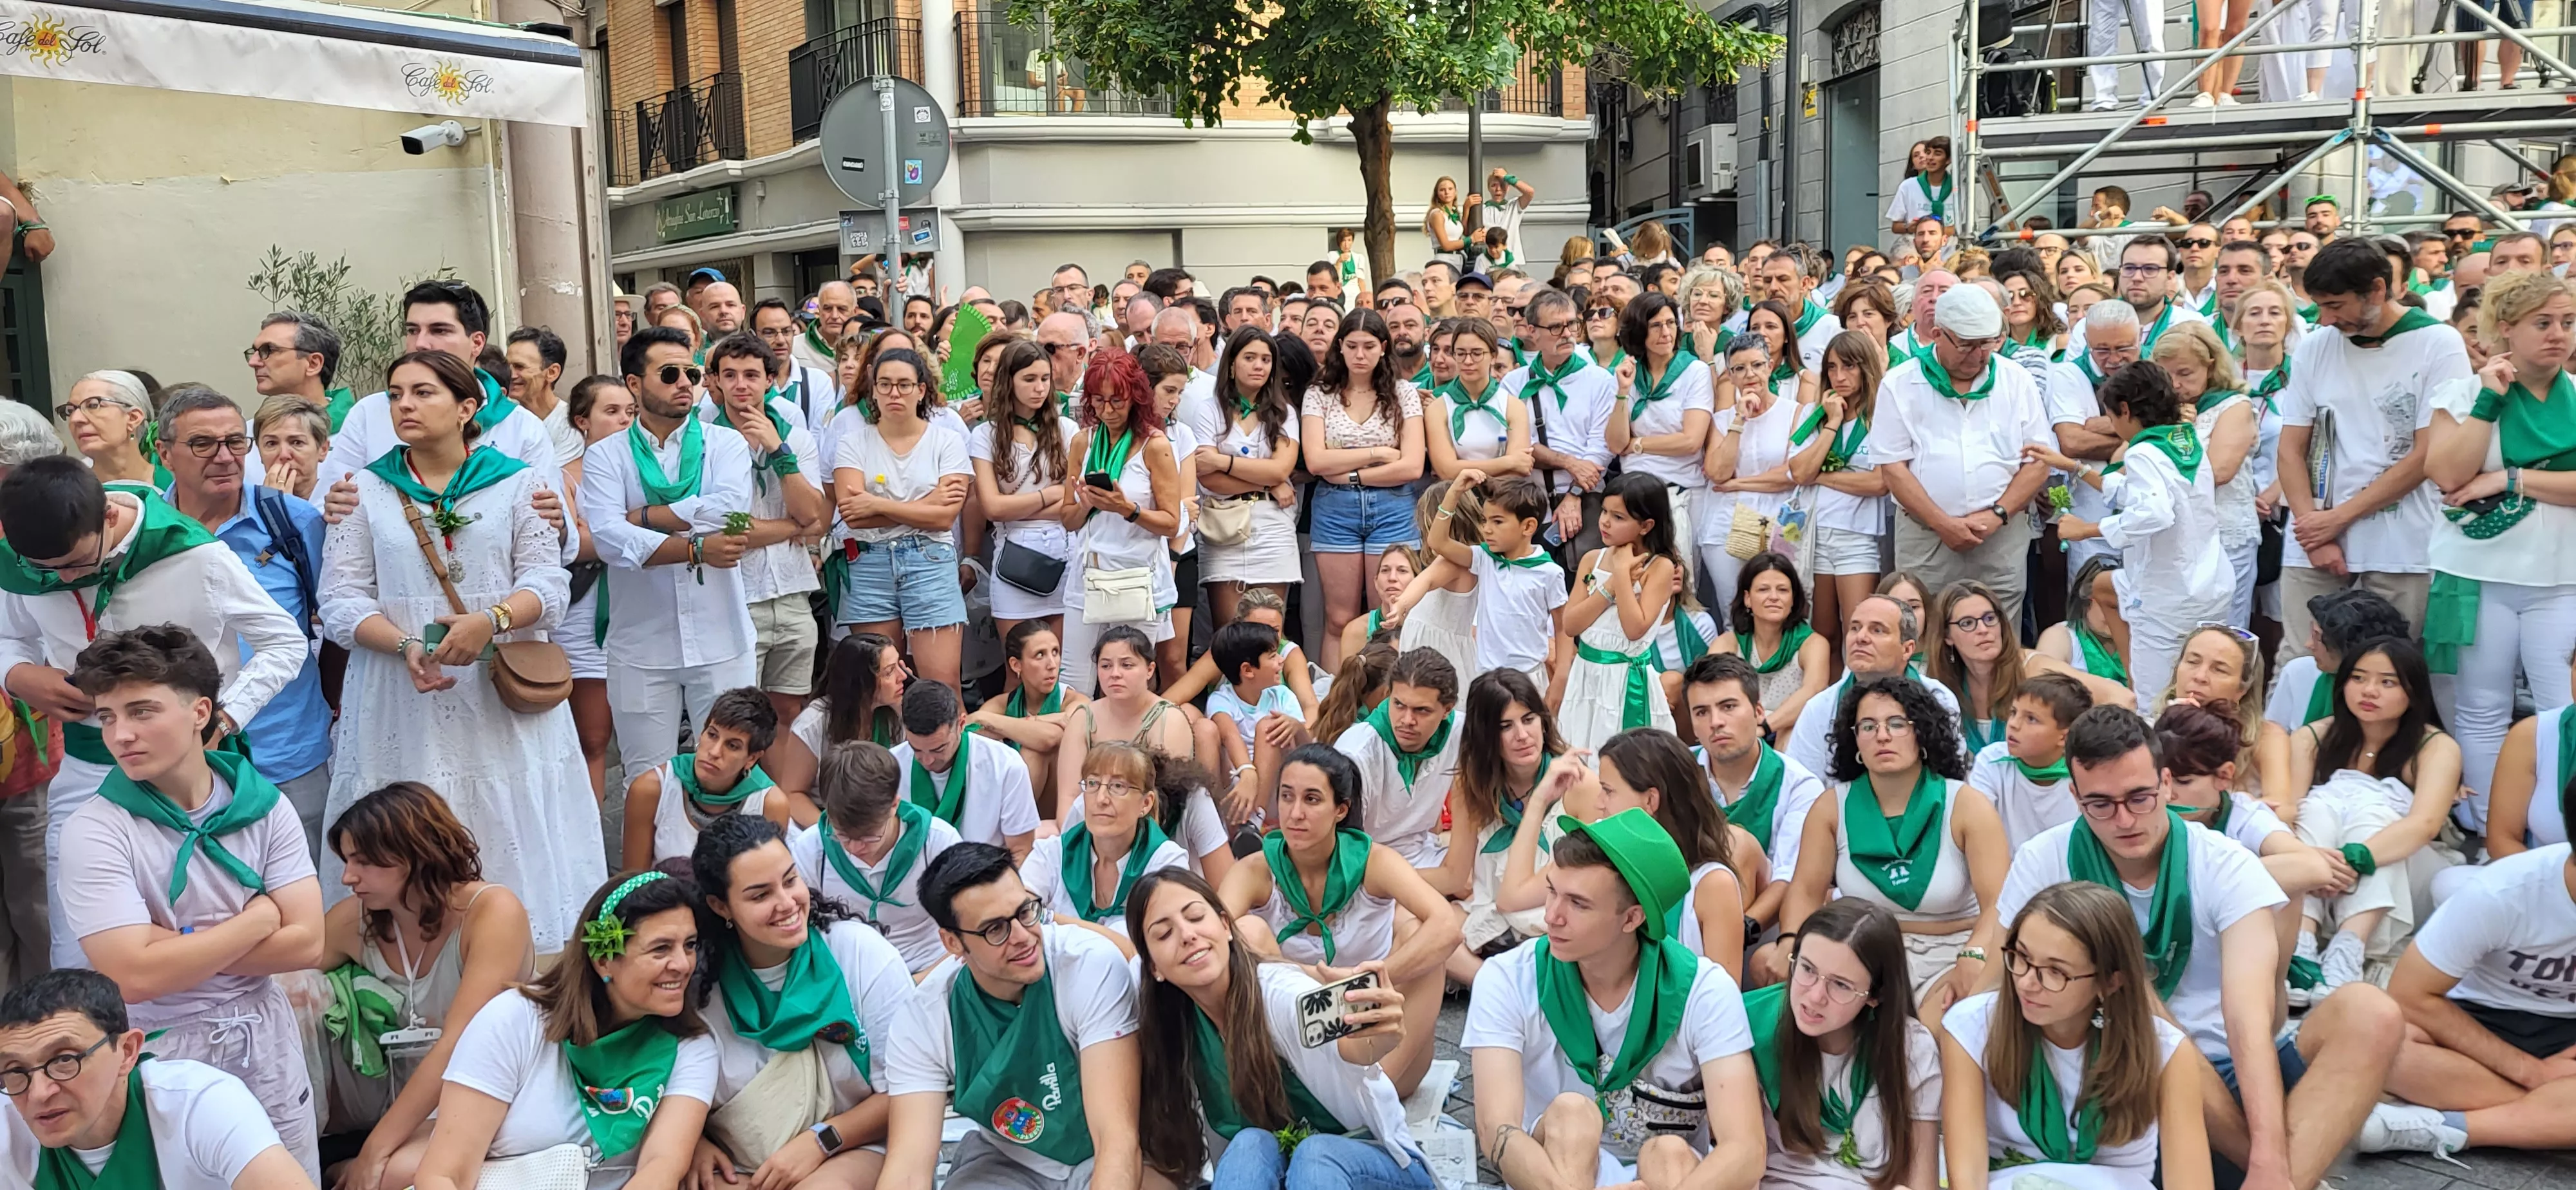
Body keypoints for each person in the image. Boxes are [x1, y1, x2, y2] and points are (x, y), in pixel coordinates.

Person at [1998, 705, 2406, 1190]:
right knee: (2137, 999)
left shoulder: (2223, 862)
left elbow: (2248, 1017)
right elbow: (2004, 988)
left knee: (2370, 1012)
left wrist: (2271, 1156)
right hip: (2122, 1074)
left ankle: (2275, 1175)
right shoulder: (2044, 857)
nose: (2124, 819)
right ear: (2075, 795)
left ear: (2167, 784)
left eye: (2140, 798)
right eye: (2100, 804)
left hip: (2235, 1067)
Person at [319, 350, 601, 954]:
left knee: (507, 815)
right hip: (402, 693)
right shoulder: (364, 489)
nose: (405, 406)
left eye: (423, 393)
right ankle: (416, 963)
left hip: (499, 692)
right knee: (412, 811)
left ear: (467, 407)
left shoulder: (520, 481)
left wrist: (491, 620)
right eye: (396, 394)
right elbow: (341, 599)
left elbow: (549, 584)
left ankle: (519, 956)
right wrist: (404, 647)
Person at [1, 454, 308, 978]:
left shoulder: (196, 555)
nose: (61, 579)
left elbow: (283, 641)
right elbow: (10, 636)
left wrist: (225, 717)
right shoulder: (25, 562)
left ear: (111, 520)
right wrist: (17, 675)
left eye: (74, 565)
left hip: (192, 774)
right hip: (87, 769)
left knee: (202, 920)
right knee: (82, 944)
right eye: (44, 570)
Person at [50, 625, 322, 1179]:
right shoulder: (95, 831)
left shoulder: (264, 807)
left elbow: (308, 943)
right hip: (159, 1054)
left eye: (142, 711)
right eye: (108, 717)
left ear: (201, 712)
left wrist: (175, 947)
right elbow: (132, 977)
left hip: (263, 1044)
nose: (121, 734)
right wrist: (258, 920)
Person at [1464, 808, 1763, 1190]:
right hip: (1555, 1172)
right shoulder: (1507, 977)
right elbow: (1496, 1129)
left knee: (1668, 1151)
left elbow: (1745, 1149)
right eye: (1552, 891)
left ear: (1632, 918)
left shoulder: (1704, 991)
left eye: (1578, 903)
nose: (1552, 916)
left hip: (1668, 1179)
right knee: (1571, 1115)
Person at [412, 869, 715, 1190]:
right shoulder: (513, 1020)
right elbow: (444, 1174)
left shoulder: (690, 1045)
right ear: (603, 961)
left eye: (690, 945)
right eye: (661, 949)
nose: (683, 964)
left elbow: (661, 1169)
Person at [1127, 867, 1427, 1190]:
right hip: (1278, 1173)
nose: (1187, 935)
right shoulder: (1174, 1029)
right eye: (1164, 934)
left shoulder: (1278, 994)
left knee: (1316, 1154)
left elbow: (1351, 1046)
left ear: (1226, 926)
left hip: (1373, 1168)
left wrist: (1377, 1034)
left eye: (1196, 917)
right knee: (1248, 1145)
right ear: (1154, 967)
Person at [878, 843, 1142, 1190]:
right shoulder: (924, 1018)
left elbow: (1116, 1138)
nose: (1022, 937)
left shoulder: (1088, 964)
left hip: (1100, 1155)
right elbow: (908, 1169)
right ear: (953, 943)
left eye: (1025, 912)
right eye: (995, 929)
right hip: (1009, 1161)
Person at [318, 782, 531, 1190]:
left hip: (474, 1093)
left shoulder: (490, 911)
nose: (348, 877)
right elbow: (278, 970)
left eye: (364, 862)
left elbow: (460, 1043)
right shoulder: (356, 918)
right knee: (293, 991)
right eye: (347, 861)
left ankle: (333, 1167)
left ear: (416, 856)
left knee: (396, 1174)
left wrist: (374, 1152)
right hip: (382, 1099)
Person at [683, 813, 913, 1186]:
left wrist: (820, 1141)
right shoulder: (699, 988)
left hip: (852, 1148)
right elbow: (668, 1093)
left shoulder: (859, 954)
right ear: (720, 906)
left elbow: (910, 1090)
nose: (787, 903)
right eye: (760, 895)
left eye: (791, 880)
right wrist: (695, 1141)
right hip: (741, 1164)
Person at [2421, 268, 2576, 820]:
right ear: (2506, 329)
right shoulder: (2462, 392)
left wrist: (2508, 479)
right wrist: (2488, 401)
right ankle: (2490, 826)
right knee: (2481, 708)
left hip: (2562, 580)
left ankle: (2560, 830)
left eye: (2567, 321)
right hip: (2477, 576)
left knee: (2564, 711)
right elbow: (2446, 473)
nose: (2558, 333)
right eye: (2543, 323)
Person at [151, 385, 333, 852]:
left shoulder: (293, 521)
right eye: (203, 444)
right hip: (180, 759)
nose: (225, 457)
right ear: (164, 453)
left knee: (304, 896)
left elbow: (329, 620)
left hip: (287, 753)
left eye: (236, 442)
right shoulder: (145, 533)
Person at [582, 325, 760, 800]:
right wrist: (696, 548)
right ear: (635, 385)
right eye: (669, 373)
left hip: (722, 638)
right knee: (647, 782)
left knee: (730, 778)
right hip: (641, 647)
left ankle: (726, 874)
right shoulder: (605, 457)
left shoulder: (726, 445)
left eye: (692, 372)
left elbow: (731, 511)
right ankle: (653, 875)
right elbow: (608, 539)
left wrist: (642, 517)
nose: (685, 382)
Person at [1936, 882, 2209, 1190]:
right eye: (2022, 957)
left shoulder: (2167, 1051)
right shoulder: (1970, 1027)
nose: (2027, 983)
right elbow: (1967, 1178)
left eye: (2056, 971)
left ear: (2110, 982)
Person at [2275, 240, 2471, 665]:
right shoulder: (2315, 346)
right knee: (2300, 662)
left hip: (2401, 544)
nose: (2325, 319)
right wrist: (2314, 530)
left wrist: (2338, 520)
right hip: (2313, 537)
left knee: (2385, 669)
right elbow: (2291, 448)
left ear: (2378, 290)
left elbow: (2427, 455)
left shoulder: (2439, 343)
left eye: (2335, 305)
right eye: (2319, 306)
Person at [1784, 675, 2008, 1008]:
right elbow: (1805, 891)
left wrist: (1975, 954)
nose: (1883, 736)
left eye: (1897, 723)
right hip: (1861, 955)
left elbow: (2000, 903)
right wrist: (1792, 949)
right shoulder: (1831, 808)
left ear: (1923, 734)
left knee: (1947, 1032)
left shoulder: (1966, 805)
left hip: (1953, 953)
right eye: (1868, 726)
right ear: (1855, 740)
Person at [0, 968, 316, 1188]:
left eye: (65, 1061)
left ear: (127, 1052)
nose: (39, 1093)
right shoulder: (8, 1129)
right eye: (16, 1071)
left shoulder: (201, 1104)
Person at [2028, 363, 2234, 698]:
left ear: (2125, 410)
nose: (2112, 425)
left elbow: (2153, 514)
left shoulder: (2142, 452)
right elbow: (2133, 494)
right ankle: (2132, 674)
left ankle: (2142, 694)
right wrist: (2073, 466)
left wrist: (2086, 530)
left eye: (2111, 418)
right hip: (2209, 581)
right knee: (2102, 588)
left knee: (2160, 699)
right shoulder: (2185, 442)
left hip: (2166, 592)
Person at [2369, 838, 2576, 1156]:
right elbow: (2411, 995)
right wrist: (2533, 1073)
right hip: (2479, 1018)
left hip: (2568, 1031)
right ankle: (2548, 1117)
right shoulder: (2505, 891)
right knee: (2381, 1043)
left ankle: (2445, 1128)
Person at [2282, 638, 2461, 996]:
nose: (2369, 691)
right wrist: (2314, 862)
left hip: (2407, 868)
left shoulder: (2436, 746)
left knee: (2376, 812)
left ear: (2414, 690)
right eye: (2359, 678)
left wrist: (2353, 858)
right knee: (2315, 809)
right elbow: (2287, 811)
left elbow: (2423, 826)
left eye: (2387, 682)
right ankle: (2301, 940)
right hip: (2319, 869)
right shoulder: (2312, 737)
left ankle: (2349, 948)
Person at [1875, 287, 2053, 627]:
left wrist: (1998, 515)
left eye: (1988, 343)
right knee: (1924, 633)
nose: (1979, 355)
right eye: (1967, 345)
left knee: (1997, 639)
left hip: (2000, 537)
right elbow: (1893, 468)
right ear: (1938, 334)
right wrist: (1943, 524)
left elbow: (2039, 459)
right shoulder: (1900, 383)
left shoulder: (2016, 379)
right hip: (1926, 537)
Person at [315, 283, 571, 512]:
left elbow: (555, 530)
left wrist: (553, 522)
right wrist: (334, 505)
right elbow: (328, 504)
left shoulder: (521, 427)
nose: (421, 344)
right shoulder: (370, 413)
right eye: (413, 330)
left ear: (477, 343)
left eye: (439, 330)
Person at [1741, 898, 1941, 1190]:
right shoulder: (1751, 1024)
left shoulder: (1910, 1048)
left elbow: (1922, 1183)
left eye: (1841, 985)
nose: (1814, 997)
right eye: (1807, 969)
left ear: (1876, 995)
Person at [834, 346, 971, 692]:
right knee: (876, 685)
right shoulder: (852, 442)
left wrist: (877, 505)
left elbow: (944, 520)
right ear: (873, 390)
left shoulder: (948, 441)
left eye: (904, 385)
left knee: (942, 683)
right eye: (885, 384)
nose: (894, 393)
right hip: (868, 562)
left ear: (921, 390)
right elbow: (853, 516)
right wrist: (927, 504)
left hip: (930, 559)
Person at [705, 334, 826, 724]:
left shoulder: (795, 438)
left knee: (789, 710)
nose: (741, 385)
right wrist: (792, 526)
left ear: (770, 381)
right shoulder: (702, 442)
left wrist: (778, 452)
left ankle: (776, 786)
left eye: (752, 375)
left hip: (792, 592)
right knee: (738, 714)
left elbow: (814, 516)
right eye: (731, 375)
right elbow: (727, 527)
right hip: (735, 596)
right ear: (717, 382)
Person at [1301, 310, 1426, 671]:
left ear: (1383, 348)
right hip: (1336, 510)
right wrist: (1378, 455)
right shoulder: (1319, 394)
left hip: (1394, 507)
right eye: (1352, 346)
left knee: (1387, 614)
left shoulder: (1403, 393)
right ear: (1339, 347)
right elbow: (1316, 461)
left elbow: (1412, 466)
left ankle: (1387, 699)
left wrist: (1349, 474)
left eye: (1369, 346)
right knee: (1339, 619)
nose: (1360, 354)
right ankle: (1336, 699)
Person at [1685, 653, 1828, 958]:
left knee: (1737, 845)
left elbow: (1791, 877)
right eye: (1701, 712)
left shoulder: (1800, 785)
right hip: (1684, 925)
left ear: (1758, 712)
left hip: (1761, 932)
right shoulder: (1676, 771)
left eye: (1728, 707)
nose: (1716, 722)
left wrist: (1735, 929)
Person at [1057, 349, 1183, 694]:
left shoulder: (1155, 445)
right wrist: (1087, 505)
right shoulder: (1083, 441)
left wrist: (1126, 508)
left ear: (1137, 397)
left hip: (1138, 580)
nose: (1108, 410)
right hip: (1088, 576)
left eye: (1117, 400)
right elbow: (1068, 520)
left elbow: (1172, 524)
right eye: (1099, 400)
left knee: (1128, 683)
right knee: (1073, 685)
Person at [1434, 668, 1567, 971]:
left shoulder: (1575, 780)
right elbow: (1455, 875)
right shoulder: (1472, 785)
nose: (1522, 735)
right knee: (1420, 925)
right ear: (1485, 736)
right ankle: (1488, 982)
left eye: (1529, 719)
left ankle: (1498, 986)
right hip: (1489, 916)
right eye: (1505, 726)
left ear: (1544, 722)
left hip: (1549, 922)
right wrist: (1384, 879)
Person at [791, 741, 960, 976]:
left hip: (928, 966)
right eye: (843, 836)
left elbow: (967, 929)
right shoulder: (811, 849)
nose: (855, 848)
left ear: (894, 805)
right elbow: (802, 932)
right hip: (847, 972)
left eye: (869, 837)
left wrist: (921, 981)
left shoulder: (938, 842)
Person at [1394, 475, 1563, 689]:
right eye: (1486, 520)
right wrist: (1454, 492)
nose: (1487, 529)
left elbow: (1562, 628)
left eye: (1497, 521)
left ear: (1528, 526)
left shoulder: (1549, 572)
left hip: (1527, 677)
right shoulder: (1483, 559)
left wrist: (1562, 675)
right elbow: (1438, 542)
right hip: (1488, 677)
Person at [1931, 580, 2132, 758]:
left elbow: (2123, 699)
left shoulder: (2033, 669)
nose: (1983, 630)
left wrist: (2088, 755)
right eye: (1967, 623)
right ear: (1947, 636)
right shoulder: (1941, 683)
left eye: (1989, 619)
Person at [1557, 474, 1683, 751]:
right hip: (1586, 676)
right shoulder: (1593, 559)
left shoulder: (1660, 567)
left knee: (1623, 758)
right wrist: (1612, 584)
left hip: (1624, 681)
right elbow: (1571, 624)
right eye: (1604, 511)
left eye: (1618, 517)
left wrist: (1624, 575)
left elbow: (1634, 628)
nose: (1604, 521)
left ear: (1646, 525)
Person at [1781, 594, 1964, 782]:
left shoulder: (1939, 698)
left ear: (1907, 649)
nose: (1861, 637)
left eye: (1877, 630)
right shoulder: (1818, 709)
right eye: (1855, 628)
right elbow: (1803, 790)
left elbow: (1949, 776)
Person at [1790, 332, 1891, 662]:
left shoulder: (1879, 417)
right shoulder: (1815, 415)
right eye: (1832, 368)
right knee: (1823, 635)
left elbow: (1880, 482)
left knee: (1857, 631)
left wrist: (1823, 477)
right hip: (1815, 536)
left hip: (1858, 537)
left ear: (1866, 368)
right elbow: (1800, 472)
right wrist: (1832, 424)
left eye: (1849, 367)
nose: (1839, 377)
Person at [1024, 741, 1191, 940]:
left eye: (1118, 786)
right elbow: (1019, 912)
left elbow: (1153, 941)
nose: (1101, 798)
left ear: (1145, 804)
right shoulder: (1053, 852)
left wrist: (1049, 917)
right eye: (1093, 783)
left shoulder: (1166, 862)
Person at [974, 338, 1079, 649]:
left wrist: (1016, 507)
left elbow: (1077, 500)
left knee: (1060, 664)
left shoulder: (1067, 429)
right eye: (1029, 379)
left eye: (1045, 379)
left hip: (1066, 555)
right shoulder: (986, 435)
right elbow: (992, 508)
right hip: (1013, 559)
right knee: (1019, 665)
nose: (1040, 388)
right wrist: (1051, 496)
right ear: (1009, 381)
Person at [1195, 329, 1306, 622]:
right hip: (1224, 524)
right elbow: (1207, 477)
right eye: (1250, 358)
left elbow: (1281, 468)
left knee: (1270, 631)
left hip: (1273, 528)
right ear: (1231, 364)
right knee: (1229, 633)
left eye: (1266, 360)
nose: (1259, 366)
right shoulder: (1209, 410)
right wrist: (1270, 483)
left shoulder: (1285, 413)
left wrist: (1222, 460)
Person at [562, 377, 636, 803]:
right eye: (611, 412)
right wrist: (636, 529)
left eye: (629, 411)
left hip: (640, 614)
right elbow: (572, 543)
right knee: (592, 738)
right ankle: (587, 841)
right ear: (581, 421)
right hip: (584, 621)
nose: (624, 419)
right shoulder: (563, 477)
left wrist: (605, 534)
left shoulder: (651, 471)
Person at [1503, 290, 1618, 564]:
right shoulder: (1513, 383)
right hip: (1529, 501)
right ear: (1532, 331)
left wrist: (1574, 495)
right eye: (1556, 327)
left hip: (1587, 500)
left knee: (1585, 582)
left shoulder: (1600, 380)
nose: (1567, 333)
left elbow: (1601, 448)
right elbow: (1519, 447)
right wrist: (1568, 462)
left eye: (1572, 324)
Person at [618, 686, 786, 872]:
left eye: (732, 746)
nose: (714, 752)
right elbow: (633, 885)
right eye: (712, 735)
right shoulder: (651, 789)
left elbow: (767, 884)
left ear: (752, 758)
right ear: (702, 733)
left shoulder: (770, 804)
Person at [1053, 627, 1197, 822]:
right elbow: (1069, 797)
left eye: (1127, 665)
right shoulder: (1083, 718)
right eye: (1106, 666)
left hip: (1153, 830)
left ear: (1149, 670)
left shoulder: (1169, 719)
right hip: (1092, 826)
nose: (1115, 674)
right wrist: (1075, 844)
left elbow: (1166, 805)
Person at [1609, 294, 1716, 558]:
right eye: (1656, 325)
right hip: (1635, 492)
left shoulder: (1694, 371)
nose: (1666, 332)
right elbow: (1615, 443)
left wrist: (1638, 445)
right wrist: (1623, 391)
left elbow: (1691, 441)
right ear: (1639, 330)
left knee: (1678, 575)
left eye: (1671, 323)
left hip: (1682, 488)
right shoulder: (1629, 372)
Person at [892, 677, 1040, 860]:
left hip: (984, 878)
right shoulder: (890, 766)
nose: (928, 760)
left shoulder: (1006, 766)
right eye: (916, 749)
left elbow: (1020, 851)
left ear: (962, 724)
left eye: (939, 749)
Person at [1967, 672, 2094, 852]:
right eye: (2013, 712)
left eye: (2031, 719)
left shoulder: (2086, 777)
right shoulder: (1991, 760)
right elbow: (1977, 833)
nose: (2013, 724)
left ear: (2064, 737)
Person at [1712, 552, 1833, 737]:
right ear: (1747, 599)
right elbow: (1711, 689)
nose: (1774, 597)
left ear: (1793, 599)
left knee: (1789, 730)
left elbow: (1813, 691)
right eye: (1763, 590)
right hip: (1741, 729)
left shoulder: (1813, 643)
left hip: (1792, 731)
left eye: (1783, 590)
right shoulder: (1729, 643)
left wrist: (1765, 727)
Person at [965, 621, 1088, 798]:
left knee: (1034, 750)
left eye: (1056, 652)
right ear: (1016, 665)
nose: (1053, 664)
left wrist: (991, 722)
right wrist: (1042, 720)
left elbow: (1051, 737)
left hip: (1062, 802)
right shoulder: (1000, 705)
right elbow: (970, 730)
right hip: (1007, 796)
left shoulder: (1075, 701)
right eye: (1040, 655)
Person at [1425, 317, 1535, 482]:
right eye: (1461, 354)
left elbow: (1519, 471)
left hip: (1502, 498)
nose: (1468, 361)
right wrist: (1508, 461)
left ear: (1493, 356)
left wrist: (1462, 469)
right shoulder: (1438, 408)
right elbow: (1446, 471)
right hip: (1456, 500)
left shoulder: (1513, 406)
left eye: (1477, 354)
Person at [248, 310, 351, 434]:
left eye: (268, 350)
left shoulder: (360, 432)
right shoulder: (244, 437)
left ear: (313, 364)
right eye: (254, 352)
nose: (253, 362)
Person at [59, 371, 163, 489]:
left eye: (93, 405)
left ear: (133, 418)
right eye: (70, 410)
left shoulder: (176, 480)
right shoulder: (69, 491)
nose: (75, 419)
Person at [252, 398, 331, 504]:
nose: (284, 455)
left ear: (323, 449)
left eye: (297, 442)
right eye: (271, 443)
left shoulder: (341, 504)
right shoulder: (245, 510)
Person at [1887, 137, 1957, 236]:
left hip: (1951, 249)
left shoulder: (1958, 187)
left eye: (1937, 154)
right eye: (1928, 153)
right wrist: (1909, 228)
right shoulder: (1908, 186)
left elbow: (1966, 226)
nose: (1930, 157)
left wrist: (1941, 231)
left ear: (1949, 160)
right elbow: (1895, 227)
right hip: (1916, 249)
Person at [1423, 177, 1468, 270]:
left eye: (1450, 189)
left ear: (1455, 193)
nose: (1447, 192)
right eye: (1442, 190)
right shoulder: (1437, 214)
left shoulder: (1453, 213)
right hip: (1445, 259)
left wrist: (1466, 209)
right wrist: (1471, 240)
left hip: (1458, 259)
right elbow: (1446, 246)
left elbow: (1463, 232)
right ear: (1437, 194)